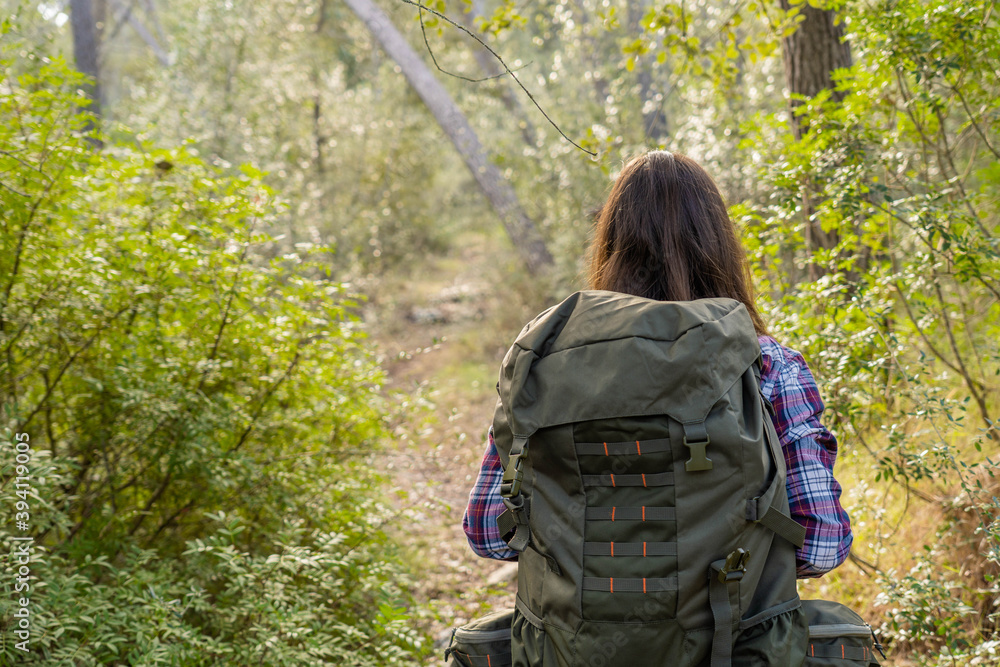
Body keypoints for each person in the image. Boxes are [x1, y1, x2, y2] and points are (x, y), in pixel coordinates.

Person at [463, 150, 852, 579]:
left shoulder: (545, 361)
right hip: (733, 639)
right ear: (718, 245)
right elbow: (821, 545)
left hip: (573, 641)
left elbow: (487, 532)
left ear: (609, 246)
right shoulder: (768, 366)